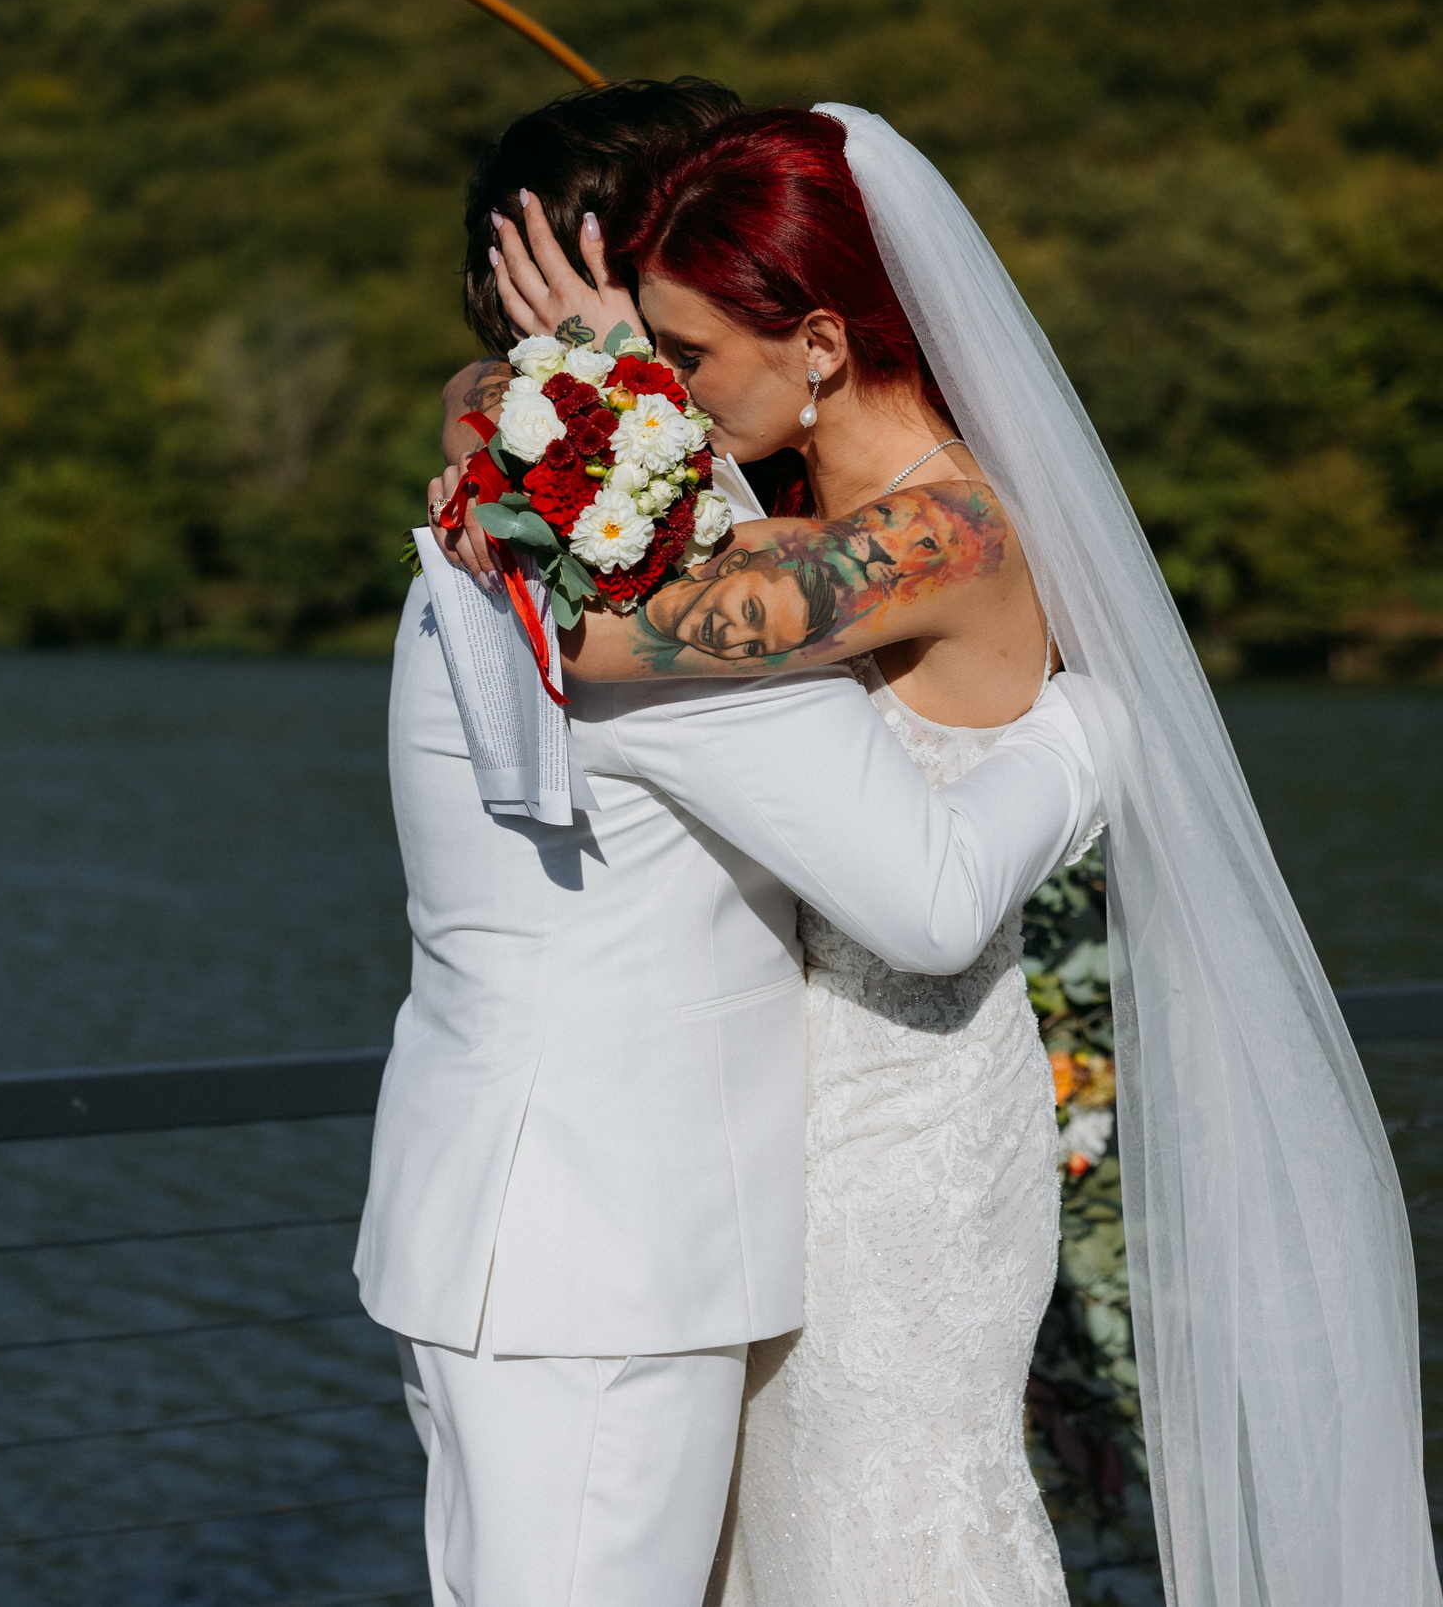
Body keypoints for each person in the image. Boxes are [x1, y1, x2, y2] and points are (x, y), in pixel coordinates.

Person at [443, 104, 1439, 1606]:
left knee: (883, 1519)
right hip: (768, 1134)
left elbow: (591, 630)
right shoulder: (795, 498)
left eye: (690, 359)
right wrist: (540, 401)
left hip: (903, 1137)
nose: (679, 401)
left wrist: (577, 393)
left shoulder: (939, 539)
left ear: (822, 343)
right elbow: (553, 499)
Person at [362, 81, 1104, 1607]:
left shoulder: (499, 508)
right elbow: (931, 895)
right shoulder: (634, 565)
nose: (687, 388)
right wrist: (1105, 735)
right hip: (605, 1258)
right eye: (669, 337)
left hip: (534, 1230)